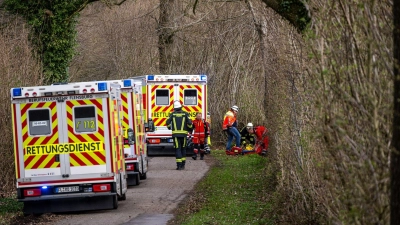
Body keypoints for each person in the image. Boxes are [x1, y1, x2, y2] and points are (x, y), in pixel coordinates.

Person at [166, 101, 193, 170]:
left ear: (174, 108)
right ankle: (183, 165)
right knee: (183, 148)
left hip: (175, 135)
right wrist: (190, 129)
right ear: (180, 107)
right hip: (184, 135)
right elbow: (190, 123)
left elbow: (167, 122)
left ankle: (179, 166)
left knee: (178, 149)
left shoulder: (172, 114)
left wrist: (169, 127)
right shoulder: (185, 114)